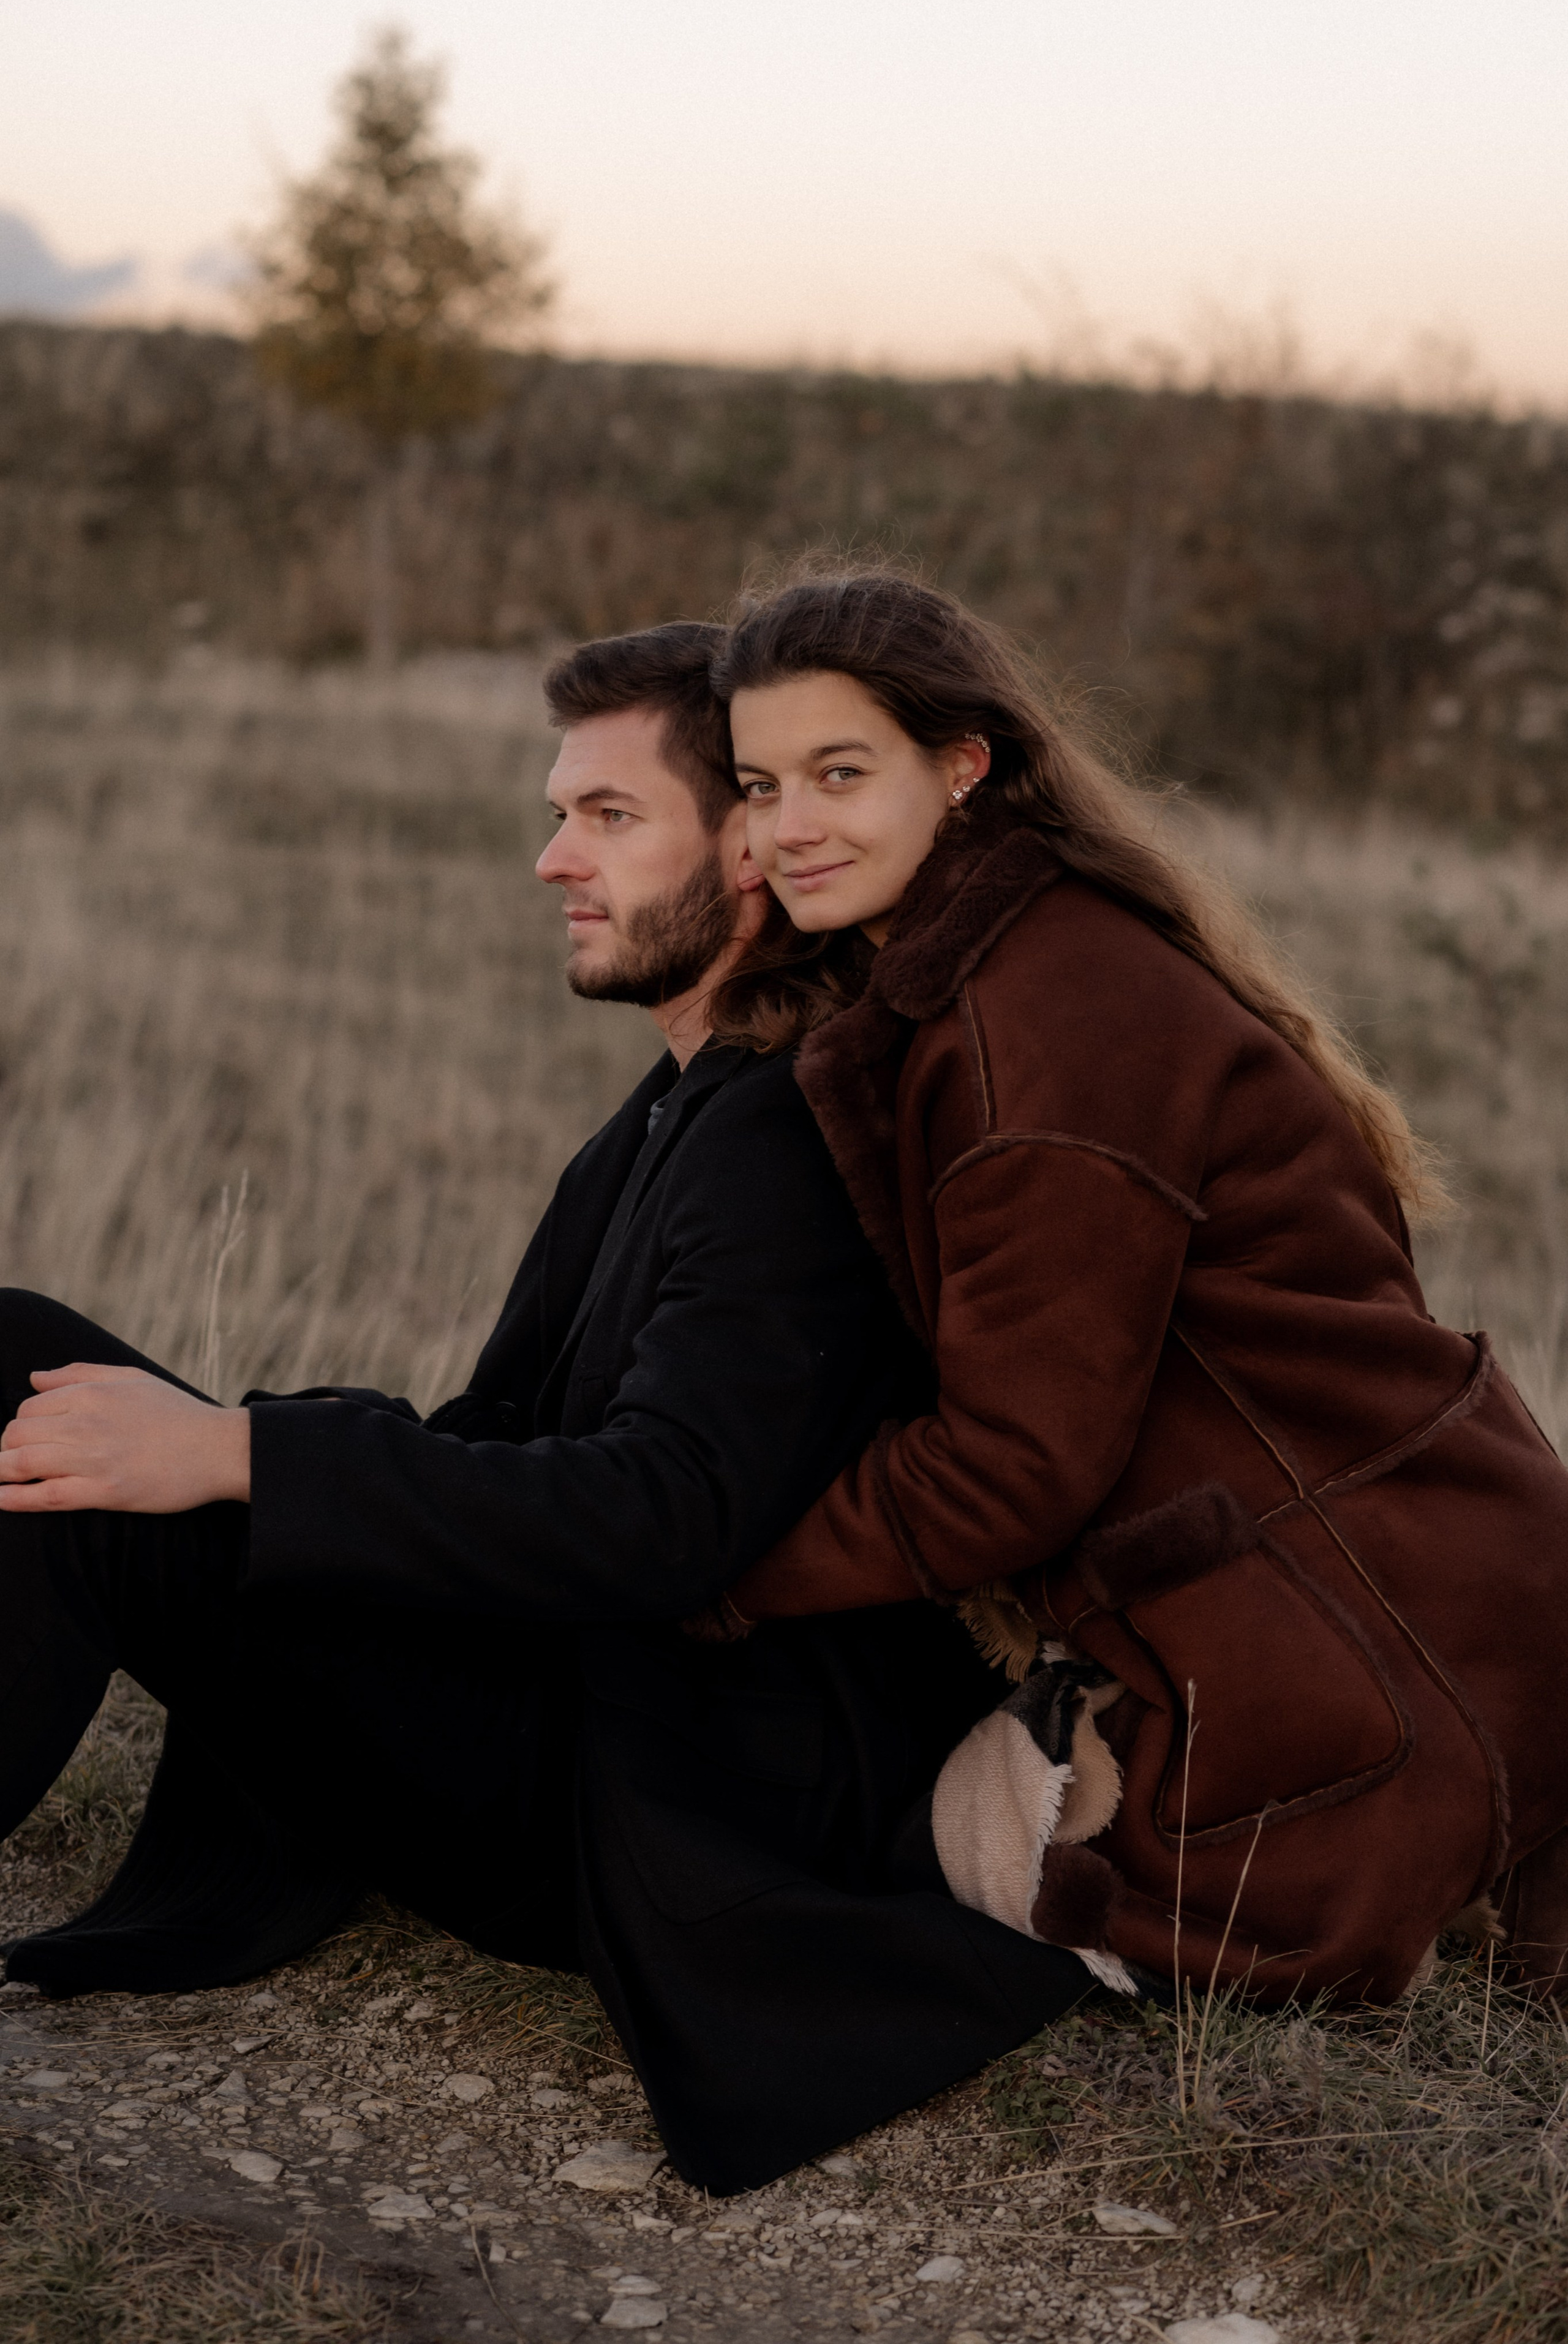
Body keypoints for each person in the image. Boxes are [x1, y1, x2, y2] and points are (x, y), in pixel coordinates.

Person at [0, 620, 1094, 2195]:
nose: (549, 859)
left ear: (744, 849)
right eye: (555, 811)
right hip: (567, 1701)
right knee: (49, 1382)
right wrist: (248, 1461)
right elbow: (519, 1438)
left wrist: (237, 1454)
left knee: (42, 1373)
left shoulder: (787, 1133)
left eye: (603, 816)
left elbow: (665, 1516)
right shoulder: (680, 1101)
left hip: (644, 1791)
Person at [706, 568, 1568, 2007]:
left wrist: (704, 1566)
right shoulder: (1022, 952)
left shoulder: (1038, 1024)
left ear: (961, 767)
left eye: (837, 773)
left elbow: (1009, 1469)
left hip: (1373, 1646)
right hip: (1440, 1582)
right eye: (756, 782)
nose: (786, 827)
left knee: (903, 1865)